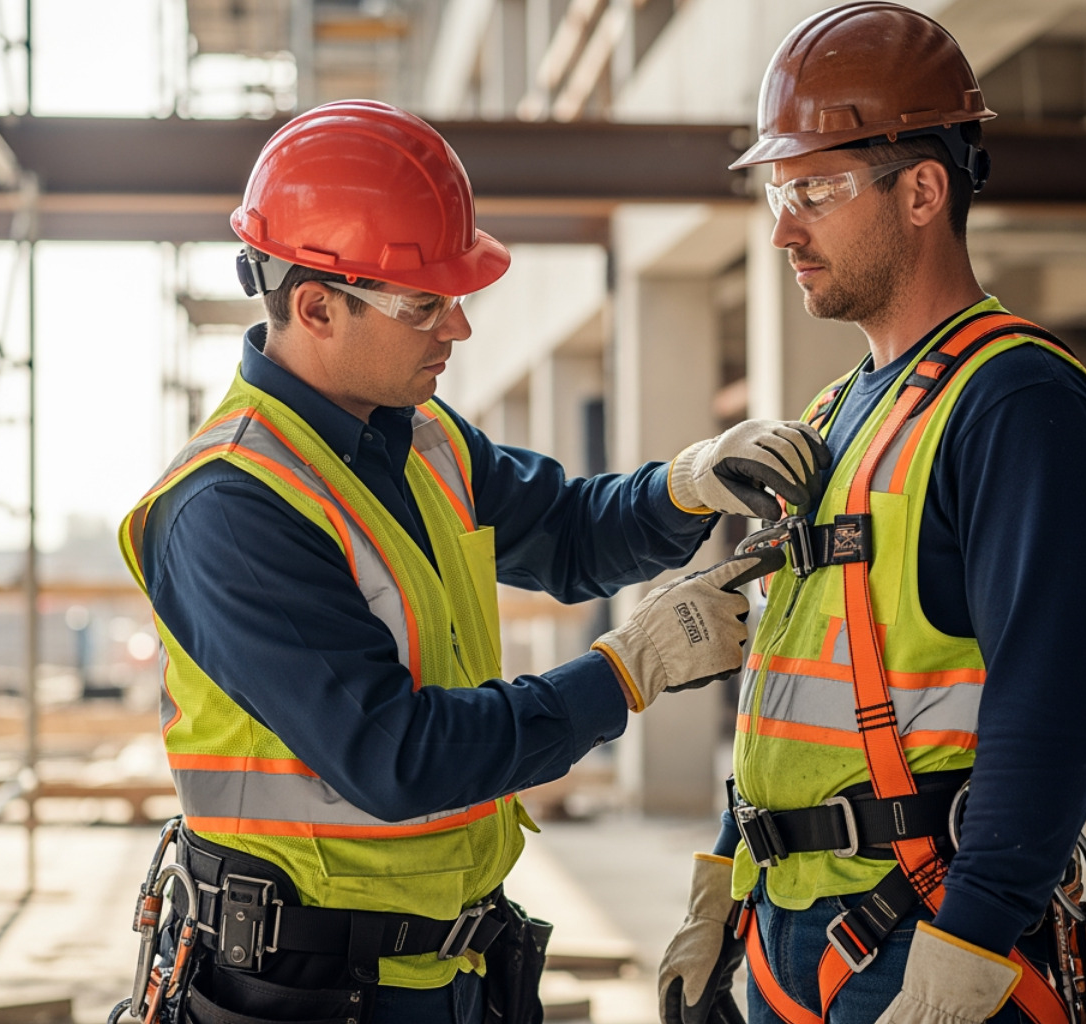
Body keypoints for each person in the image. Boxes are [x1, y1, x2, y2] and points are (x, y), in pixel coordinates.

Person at [116, 100, 829, 1024]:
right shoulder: (231, 507)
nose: (455, 329)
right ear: (315, 305)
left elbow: (568, 532)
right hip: (306, 993)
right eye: (425, 304)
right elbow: (396, 756)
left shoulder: (420, 439)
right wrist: (626, 670)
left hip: (451, 970)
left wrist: (687, 486)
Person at [656, 5, 1086, 1024]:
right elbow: (787, 688)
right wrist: (723, 892)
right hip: (791, 936)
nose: (784, 226)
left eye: (816, 189)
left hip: (921, 941)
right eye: (780, 191)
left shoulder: (1017, 404)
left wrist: (968, 945)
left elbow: (1054, 706)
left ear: (923, 189)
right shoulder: (835, 414)